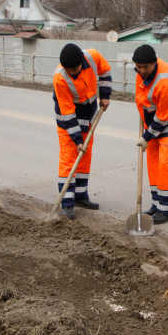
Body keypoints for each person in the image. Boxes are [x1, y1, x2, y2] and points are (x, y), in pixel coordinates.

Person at [53, 43, 112, 220]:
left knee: (85, 155)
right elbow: (67, 112)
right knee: (69, 157)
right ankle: (67, 202)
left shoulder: (92, 56)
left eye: (74, 68)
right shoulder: (60, 78)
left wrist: (106, 95)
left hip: (89, 113)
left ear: (82, 62)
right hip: (68, 118)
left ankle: (80, 195)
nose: (71, 72)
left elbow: (105, 71)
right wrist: (76, 138)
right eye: (68, 69)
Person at [133, 44, 168, 224]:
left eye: (145, 67)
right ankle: (156, 204)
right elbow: (142, 98)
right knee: (153, 162)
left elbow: (163, 117)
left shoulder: (165, 82)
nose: (141, 71)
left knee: (165, 165)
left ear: (154, 63)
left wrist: (147, 136)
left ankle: (165, 209)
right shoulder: (141, 71)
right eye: (139, 67)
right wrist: (145, 122)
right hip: (153, 122)